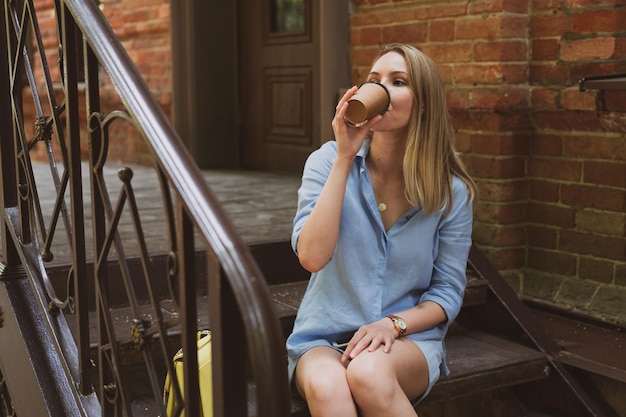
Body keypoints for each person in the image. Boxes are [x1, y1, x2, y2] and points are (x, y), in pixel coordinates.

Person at [286, 43, 477, 417]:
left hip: (404, 340)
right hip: (324, 337)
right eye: (374, 80)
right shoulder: (327, 161)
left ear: (422, 104)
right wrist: (345, 156)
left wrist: (394, 324)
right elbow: (311, 256)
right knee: (327, 388)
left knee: (368, 372)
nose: (382, 89)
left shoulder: (451, 192)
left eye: (398, 81)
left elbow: (448, 293)